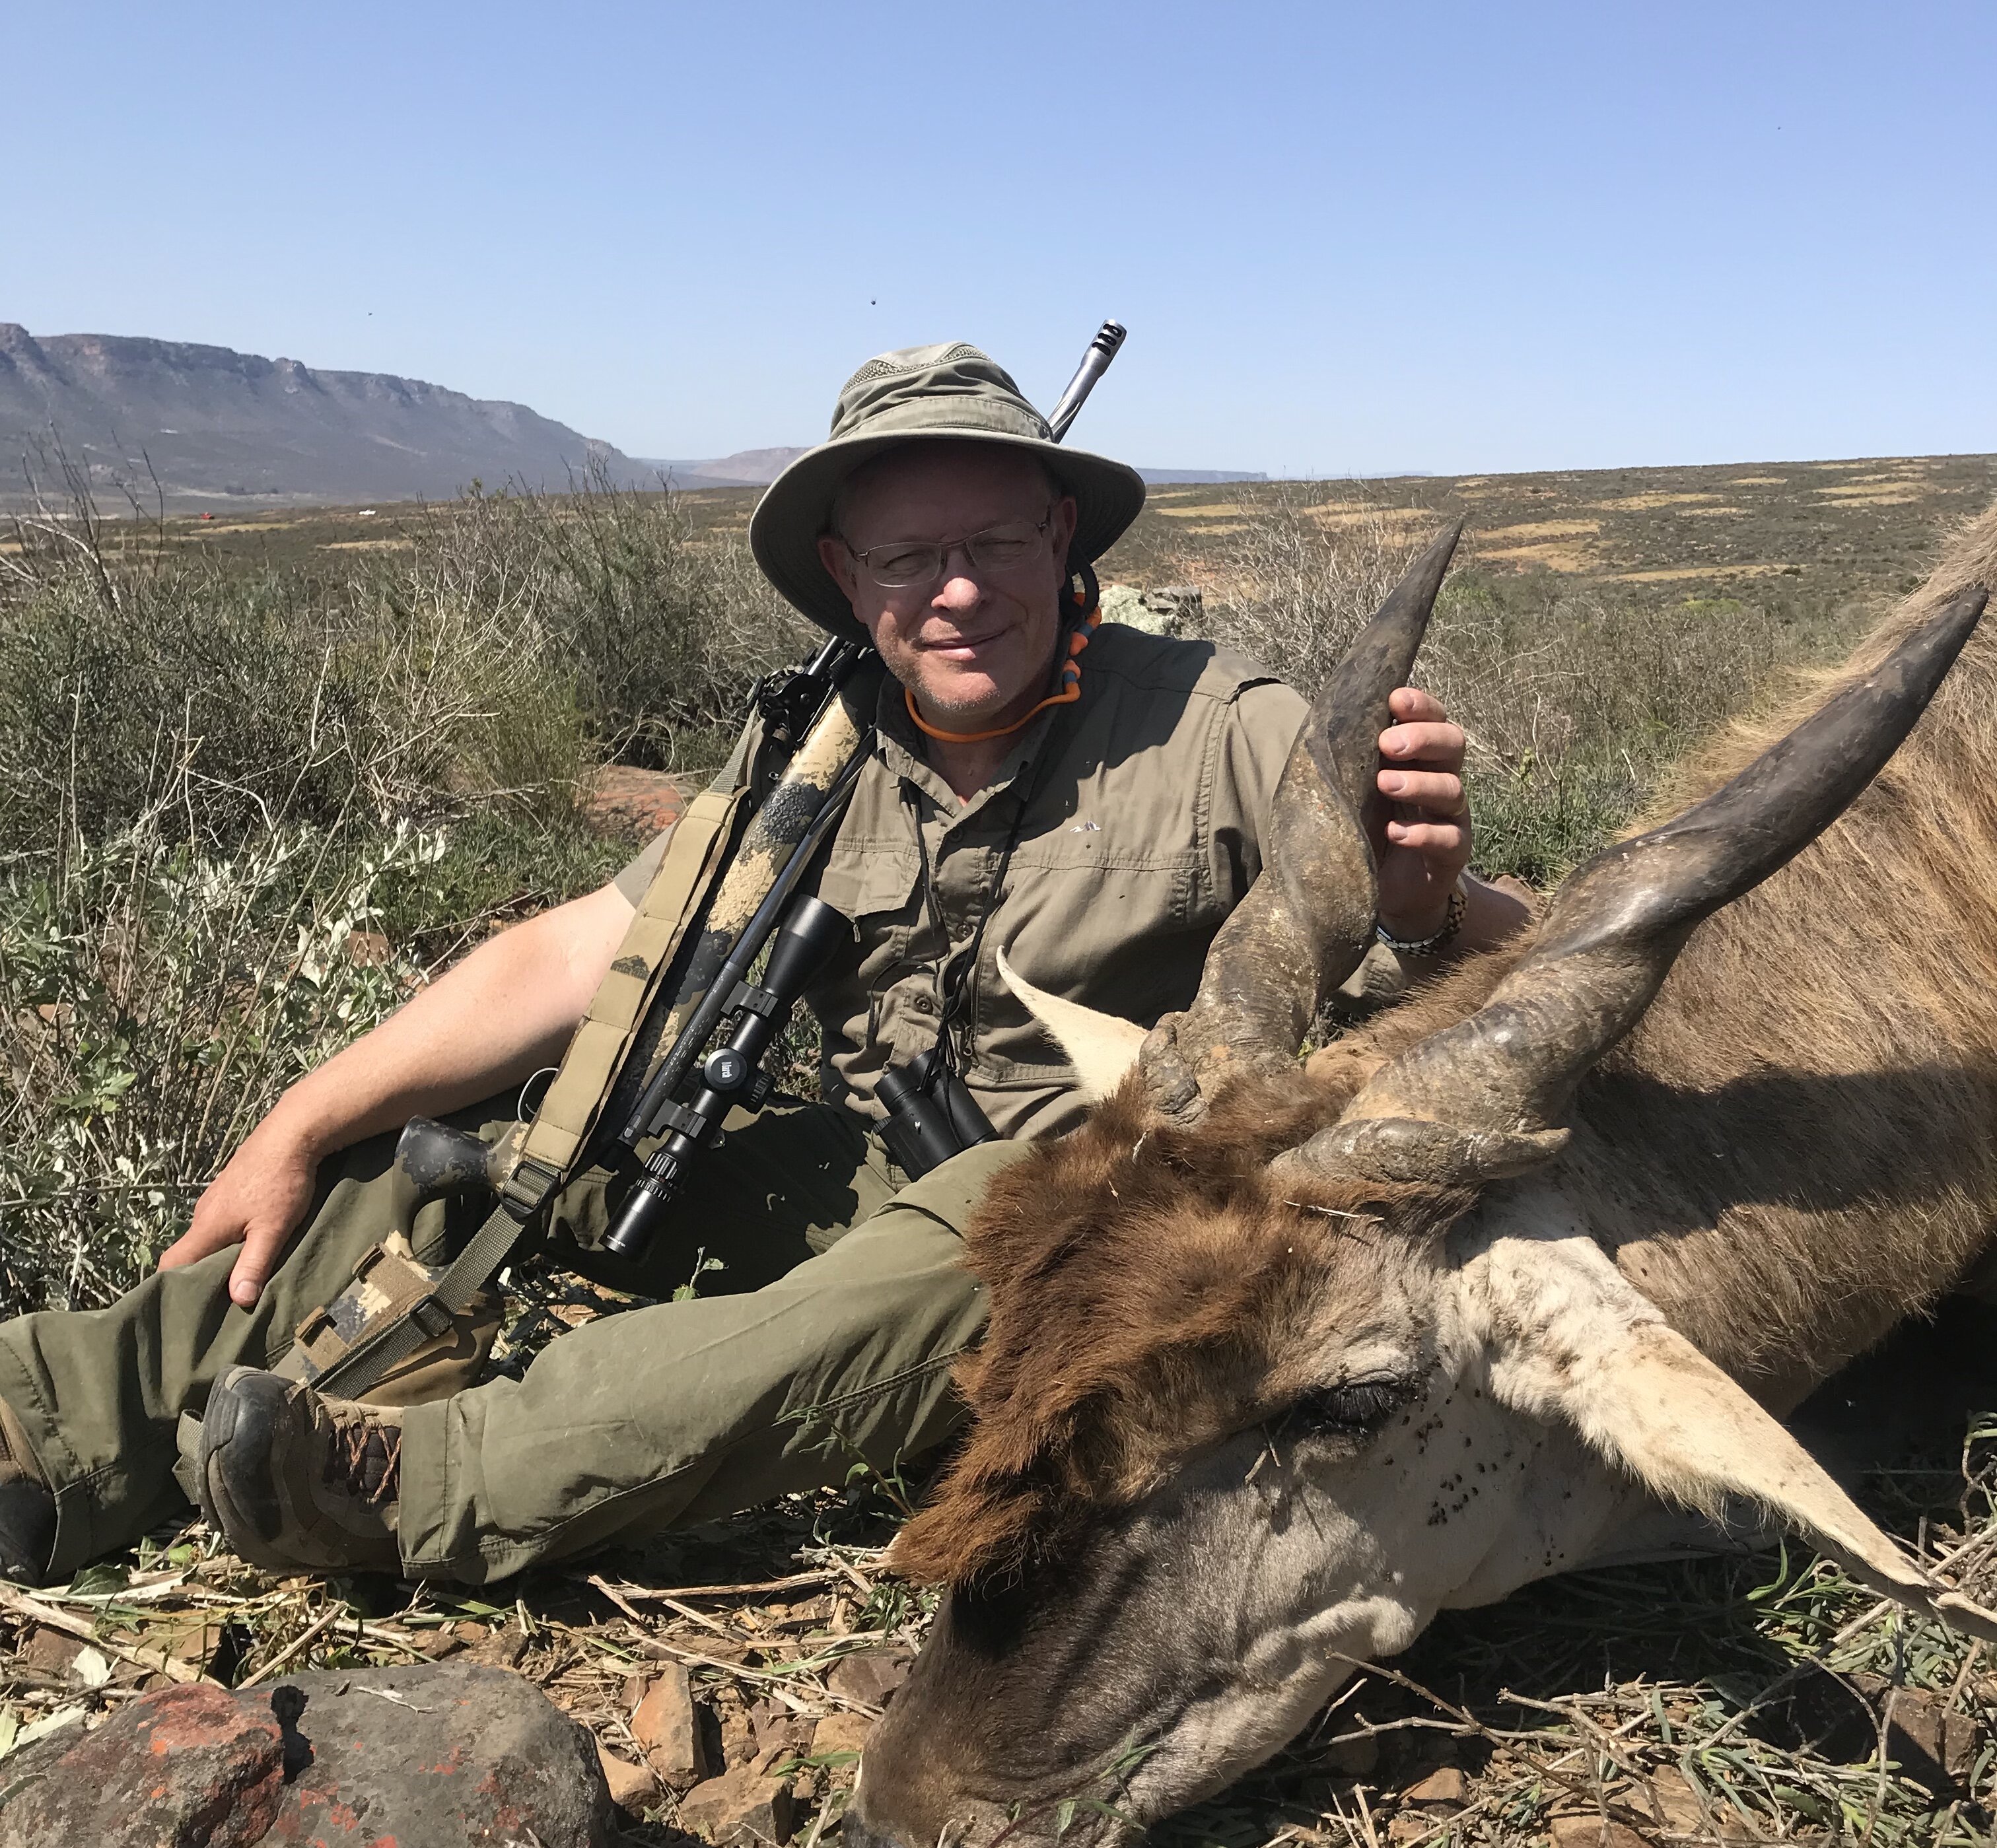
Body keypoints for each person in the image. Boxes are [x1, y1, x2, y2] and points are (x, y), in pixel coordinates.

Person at [0, 343, 1527, 1586]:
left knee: (976, 1224)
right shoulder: (815, 755)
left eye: (998, 541)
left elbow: (1507, 954)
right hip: (860, 1177)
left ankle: (416, 1490)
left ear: (1060, 539)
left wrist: (1426, 907)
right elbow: (572, 958)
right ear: (845, 576)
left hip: (1106, 1228)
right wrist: (301, 1120)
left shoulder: (1227, 720)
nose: (960, 587)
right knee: (488, 1168)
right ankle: (53, 1423)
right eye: (911, 554)